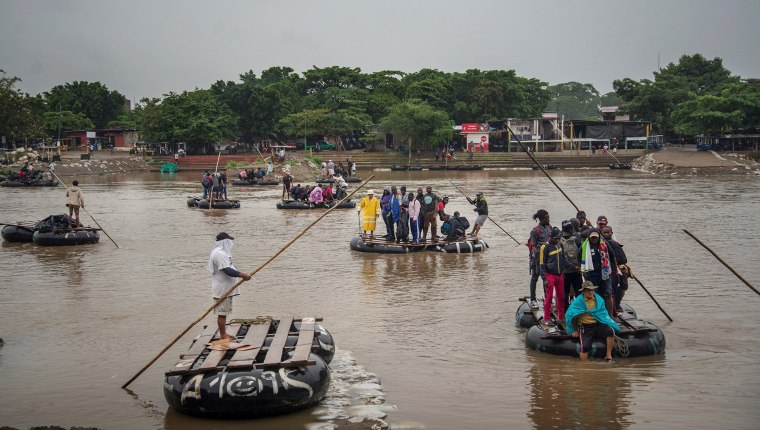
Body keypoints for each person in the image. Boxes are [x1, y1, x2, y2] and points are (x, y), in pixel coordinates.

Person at [207, 232, 252, 341]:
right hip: (222, 289)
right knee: (222, 313)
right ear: (225, 242)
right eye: (229, 241)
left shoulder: (221, 253)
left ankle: (224, 333)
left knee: (224, 312)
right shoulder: (219, 254)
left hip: (225, 288)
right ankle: (223, 335)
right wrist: (242, 275)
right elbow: (227, 270)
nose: (231, 243)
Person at [565, 281, 621, 362]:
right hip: (585, 326)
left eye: (592, 290)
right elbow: (573, 316)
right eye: (588, 290)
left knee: (610, 331)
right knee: (585, 346)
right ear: (583, 292)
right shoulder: (578, 302)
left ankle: (608, 355)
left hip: (597, 324)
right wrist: (575, 330)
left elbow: (602, 313)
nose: (591, 292)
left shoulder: (599, 299)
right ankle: (585, 365)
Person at [539, 227, 576, 325]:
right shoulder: (545, 247)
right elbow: (542, 264)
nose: (557, 240)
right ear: (550, 237)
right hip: (550, 275)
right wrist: (544, 279)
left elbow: (564, 260)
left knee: (561, 297)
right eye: (555, 238)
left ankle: (561, 317)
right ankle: (546, 318)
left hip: (560, 275)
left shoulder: (560, 245)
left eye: (558, 238)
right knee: (549, 297)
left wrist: (574, 267)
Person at [579, 227, 617, 318]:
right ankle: (597, 316)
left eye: (596, 237)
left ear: (599, 237)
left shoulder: (605, 244)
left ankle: (610, 316)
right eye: (592, 238)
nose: (594, 239)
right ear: (589, 237)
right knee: (594, 295)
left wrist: (614, 269)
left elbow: (613, 256)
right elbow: (578, 258)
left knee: (608, 294)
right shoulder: (585, 246)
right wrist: (582, 270)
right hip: (592, 274)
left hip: (605, 273)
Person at [527, 209, 552, 308]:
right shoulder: (535, 231)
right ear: (541, 219)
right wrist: (539, 255)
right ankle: (533, 299)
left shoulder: (549, 227)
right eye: (547, 218)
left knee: (546, 279)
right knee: (535, 278)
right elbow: (533, 246)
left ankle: (547, 297)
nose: (548, 219)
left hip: (548, 259)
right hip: (537, 259)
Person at [602, 226, 628, 316]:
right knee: (611, 289)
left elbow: (623, 258)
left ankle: (616, 304)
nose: (606, 234)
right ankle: (613, 307)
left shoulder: (614, 243)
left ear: (611, 233)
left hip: (617, 268)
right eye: (604, 233)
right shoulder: (602, 244)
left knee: (623, 286)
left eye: (608, 232)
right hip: (608, 270)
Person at [559, 220, 583, 310]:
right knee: (578, 291)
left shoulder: (559, 241)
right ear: (570, 229)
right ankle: (579, 309)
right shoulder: (576, 239)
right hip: (576, 270)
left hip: (564, 271)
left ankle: (565, 310)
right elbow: (581, 253)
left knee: (565, 291)